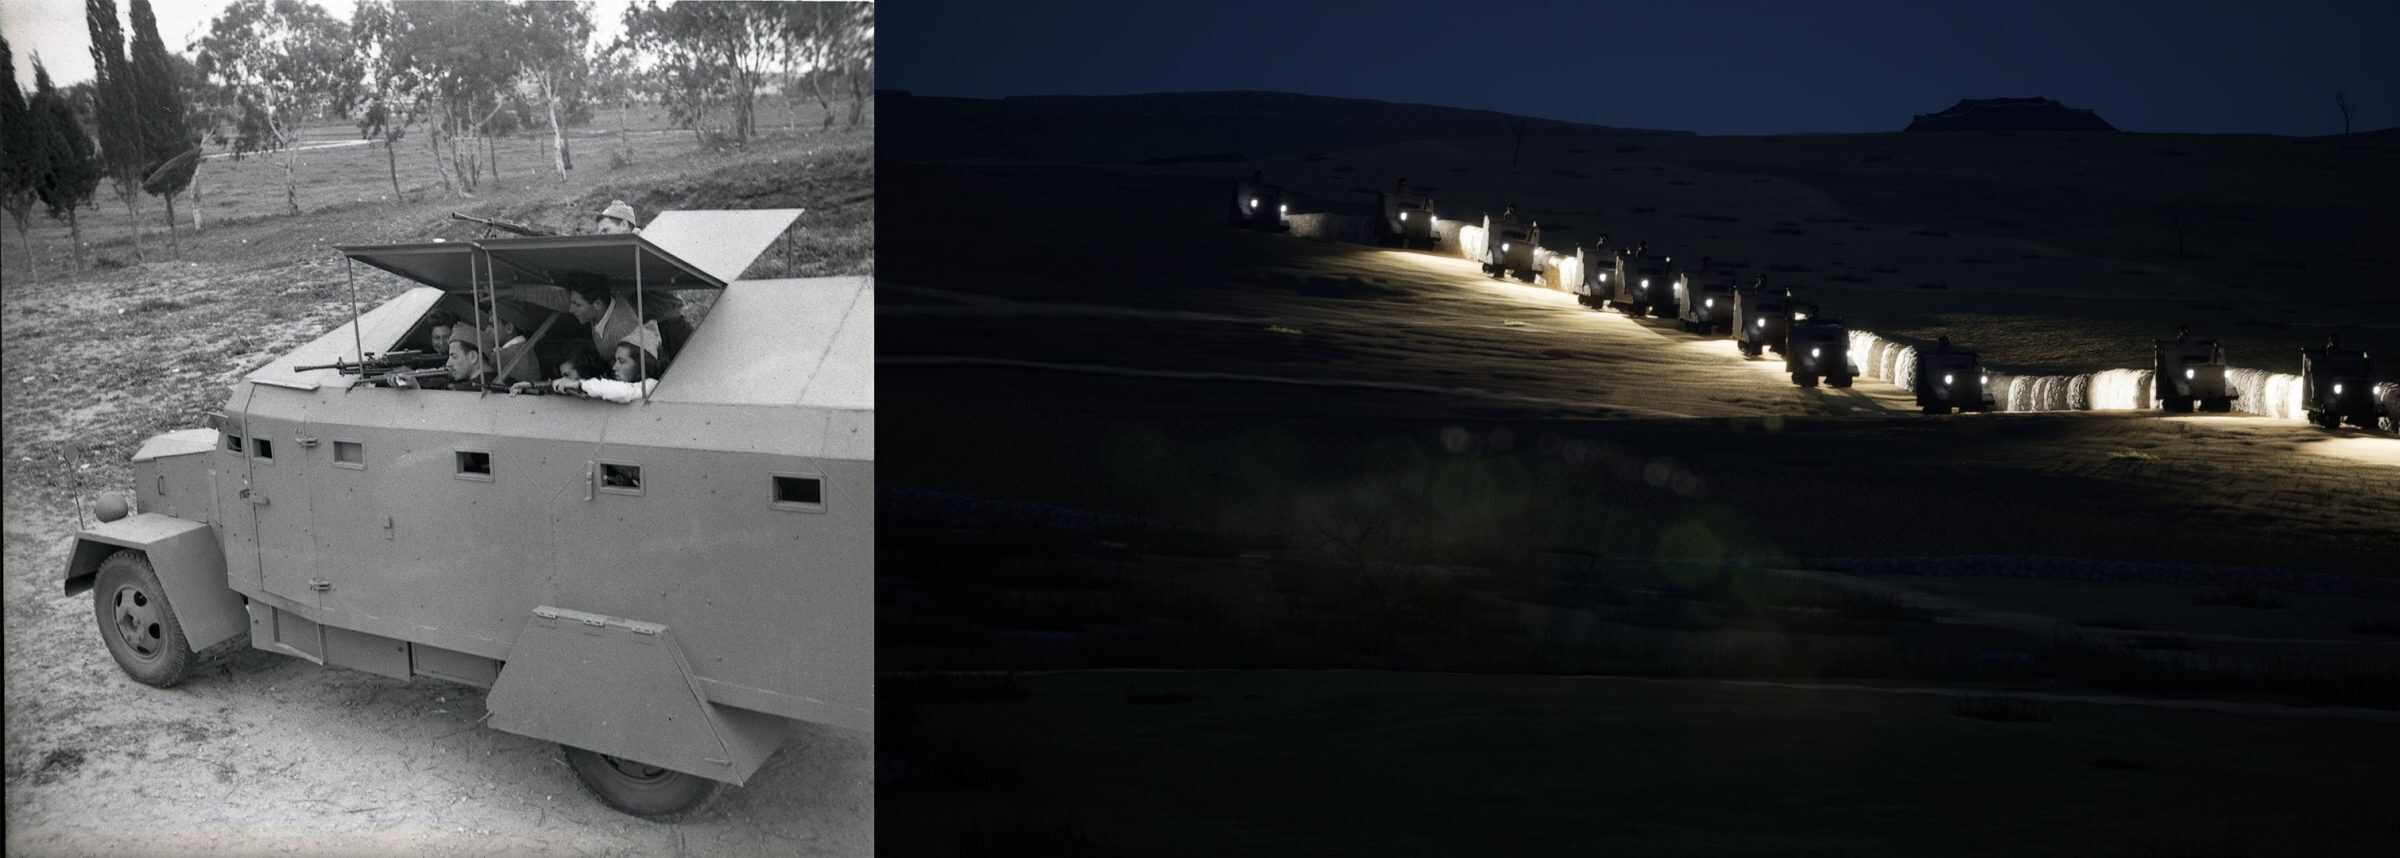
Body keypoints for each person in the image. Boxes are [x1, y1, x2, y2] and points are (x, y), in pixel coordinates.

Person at [551, 322, 666, 403]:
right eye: (615, 360)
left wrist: (579, 385)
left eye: (621, 361)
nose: (614, 367)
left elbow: (624, 392)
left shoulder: (652, 385)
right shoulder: (613, 384)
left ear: (641, 364)